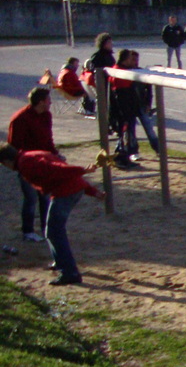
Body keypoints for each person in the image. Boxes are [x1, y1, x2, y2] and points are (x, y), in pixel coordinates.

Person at [0, 141, 109, 286]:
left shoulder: (26, 163)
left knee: (54, 232)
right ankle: (60, 262)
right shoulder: (32, 155)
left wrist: (82, 170)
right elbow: (65, 173)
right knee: (52, 231)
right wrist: (93, 191)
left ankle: (70, 273)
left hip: (65, 193)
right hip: (73, 189)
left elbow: (58, 170)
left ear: (7, 161)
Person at [7, 88, 56, 242]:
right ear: (41, 102)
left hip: (44, 162)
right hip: (27, 164)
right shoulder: (20, 119)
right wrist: (20, 165)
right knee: (30, 198)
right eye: (48, 100)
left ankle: (46, 229)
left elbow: (48, 139)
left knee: (45, 197)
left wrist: (54, 154)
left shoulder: (46, 115)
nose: (51, 103)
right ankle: (28, 231)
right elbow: (14, 146)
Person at [108, 47, 143, 168]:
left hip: (124, 109)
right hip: (124, 110)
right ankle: (121, 158)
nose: (132, 61)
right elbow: (123, 95)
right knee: (125, 134)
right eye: (130, 59)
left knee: (125, 134)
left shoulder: (118, 70)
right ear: (125, 59)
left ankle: (122, 157)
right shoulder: (121, 73)